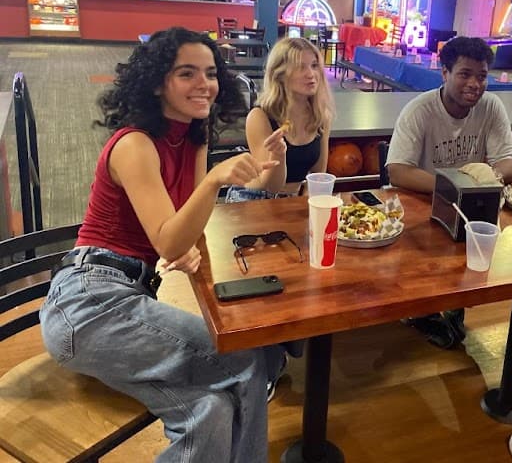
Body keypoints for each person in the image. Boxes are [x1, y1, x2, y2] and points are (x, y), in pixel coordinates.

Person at [40, 27, 286, 462]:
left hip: (127, 297)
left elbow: (187, 231)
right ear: (157, 82)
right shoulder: (134, 144)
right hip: (88, 301)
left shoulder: (193, 136)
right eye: (186, 73)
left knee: (208, 411)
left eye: (210, 73)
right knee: (248, 360)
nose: (204, 84)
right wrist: (213, 182)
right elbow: (172, 245)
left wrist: (240, 182)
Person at [386, 36, 512, 348]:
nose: (475, 84)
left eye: (482, 76)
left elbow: (509, 164)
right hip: (423, 205)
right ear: (444, 73)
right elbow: (397, 170)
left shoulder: (491, 107)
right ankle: (424, 311)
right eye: (465, 74)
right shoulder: (419, 111)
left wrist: (486, 179)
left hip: (472, 209)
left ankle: (452, 307)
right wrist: (455, 187)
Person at [226, 37, 334, 201]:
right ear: (280, 74)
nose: (311, 74)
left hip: (292, 199)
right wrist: (278, 155)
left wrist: (308, 196)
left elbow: (318, 174)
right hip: (254, 197)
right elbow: (270, 185)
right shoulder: (259, 117)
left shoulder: (320, 116)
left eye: (314, 65)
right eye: (300, 67)